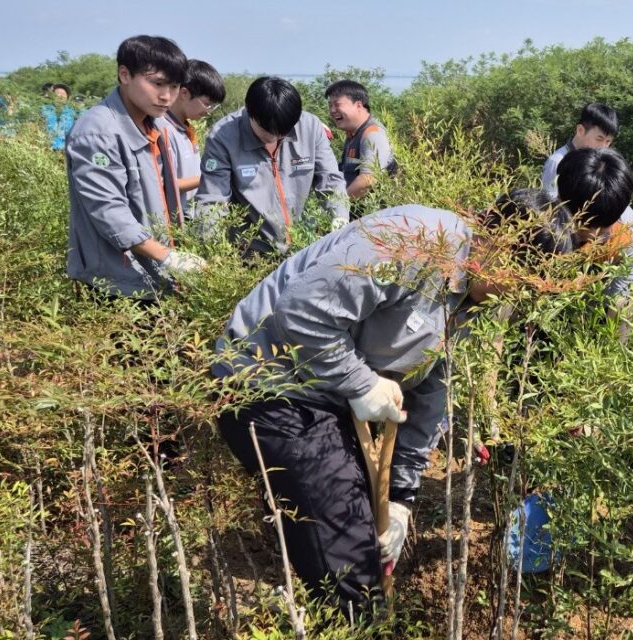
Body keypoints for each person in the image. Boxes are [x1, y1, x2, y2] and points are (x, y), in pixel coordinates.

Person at [212, 191, 573, 618]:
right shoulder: (411, 241)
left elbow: (430, 398)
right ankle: (355, 620)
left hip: (332, 398)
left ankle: (331, 602)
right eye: (516, 278)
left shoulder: (476, 299)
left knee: (362, 526)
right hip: (272, 383)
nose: (511, 295)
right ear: (494, 238)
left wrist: (402, 497)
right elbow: (302, 311)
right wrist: (361, 383)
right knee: (350, 553)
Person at [64, 35, 205, 301]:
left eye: (174, 87)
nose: (166, 96)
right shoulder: (98, 132)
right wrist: (167, 256)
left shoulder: (157, 125)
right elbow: (109, 211)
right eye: (157, 84)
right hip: (115, 283)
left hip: (153, 273)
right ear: (125, 74)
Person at [196, 76, 348, 255]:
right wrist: (212, 253)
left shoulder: (309, 127)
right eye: (268, 132)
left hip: (303, 247)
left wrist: (339, 218)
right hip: (251, 254)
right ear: (250, 114)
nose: (276, 138)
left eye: (284, 133)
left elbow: (330, 180)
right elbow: (213, 201)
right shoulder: (224, 138)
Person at [554, 147, 633, 298]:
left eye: (603, 229)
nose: (603, 236)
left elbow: (620, 310)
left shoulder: (630, 238)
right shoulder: (541, 216)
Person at [164, 60, 225, 210]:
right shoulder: (163, 130)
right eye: (206, 103)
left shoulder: (186, 128)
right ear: (184, 93)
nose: (208, 111)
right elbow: (164, 186)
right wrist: (209, 178)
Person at [325, 80, 396, 202]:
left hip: (373, 216)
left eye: (337, 104)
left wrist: (338, 204)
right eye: (330, 105)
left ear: (358, 105)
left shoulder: (372, 134)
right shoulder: (353, 134)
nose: (332, 110)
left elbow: (368, 179)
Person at [541, 102, 618, 197]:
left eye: (608, 142)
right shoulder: (557, 162)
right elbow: (548, 206)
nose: (603, 147)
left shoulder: (602, 164)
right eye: (599, 139)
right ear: (580, 130)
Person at [42, 83, 78, 151]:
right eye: (58, 93)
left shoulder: (73, 114)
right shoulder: (43, 110)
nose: (61, 95)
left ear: (67, 98)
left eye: (64, 94)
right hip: (45, 149)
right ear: (52, 95)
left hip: (65, 151)